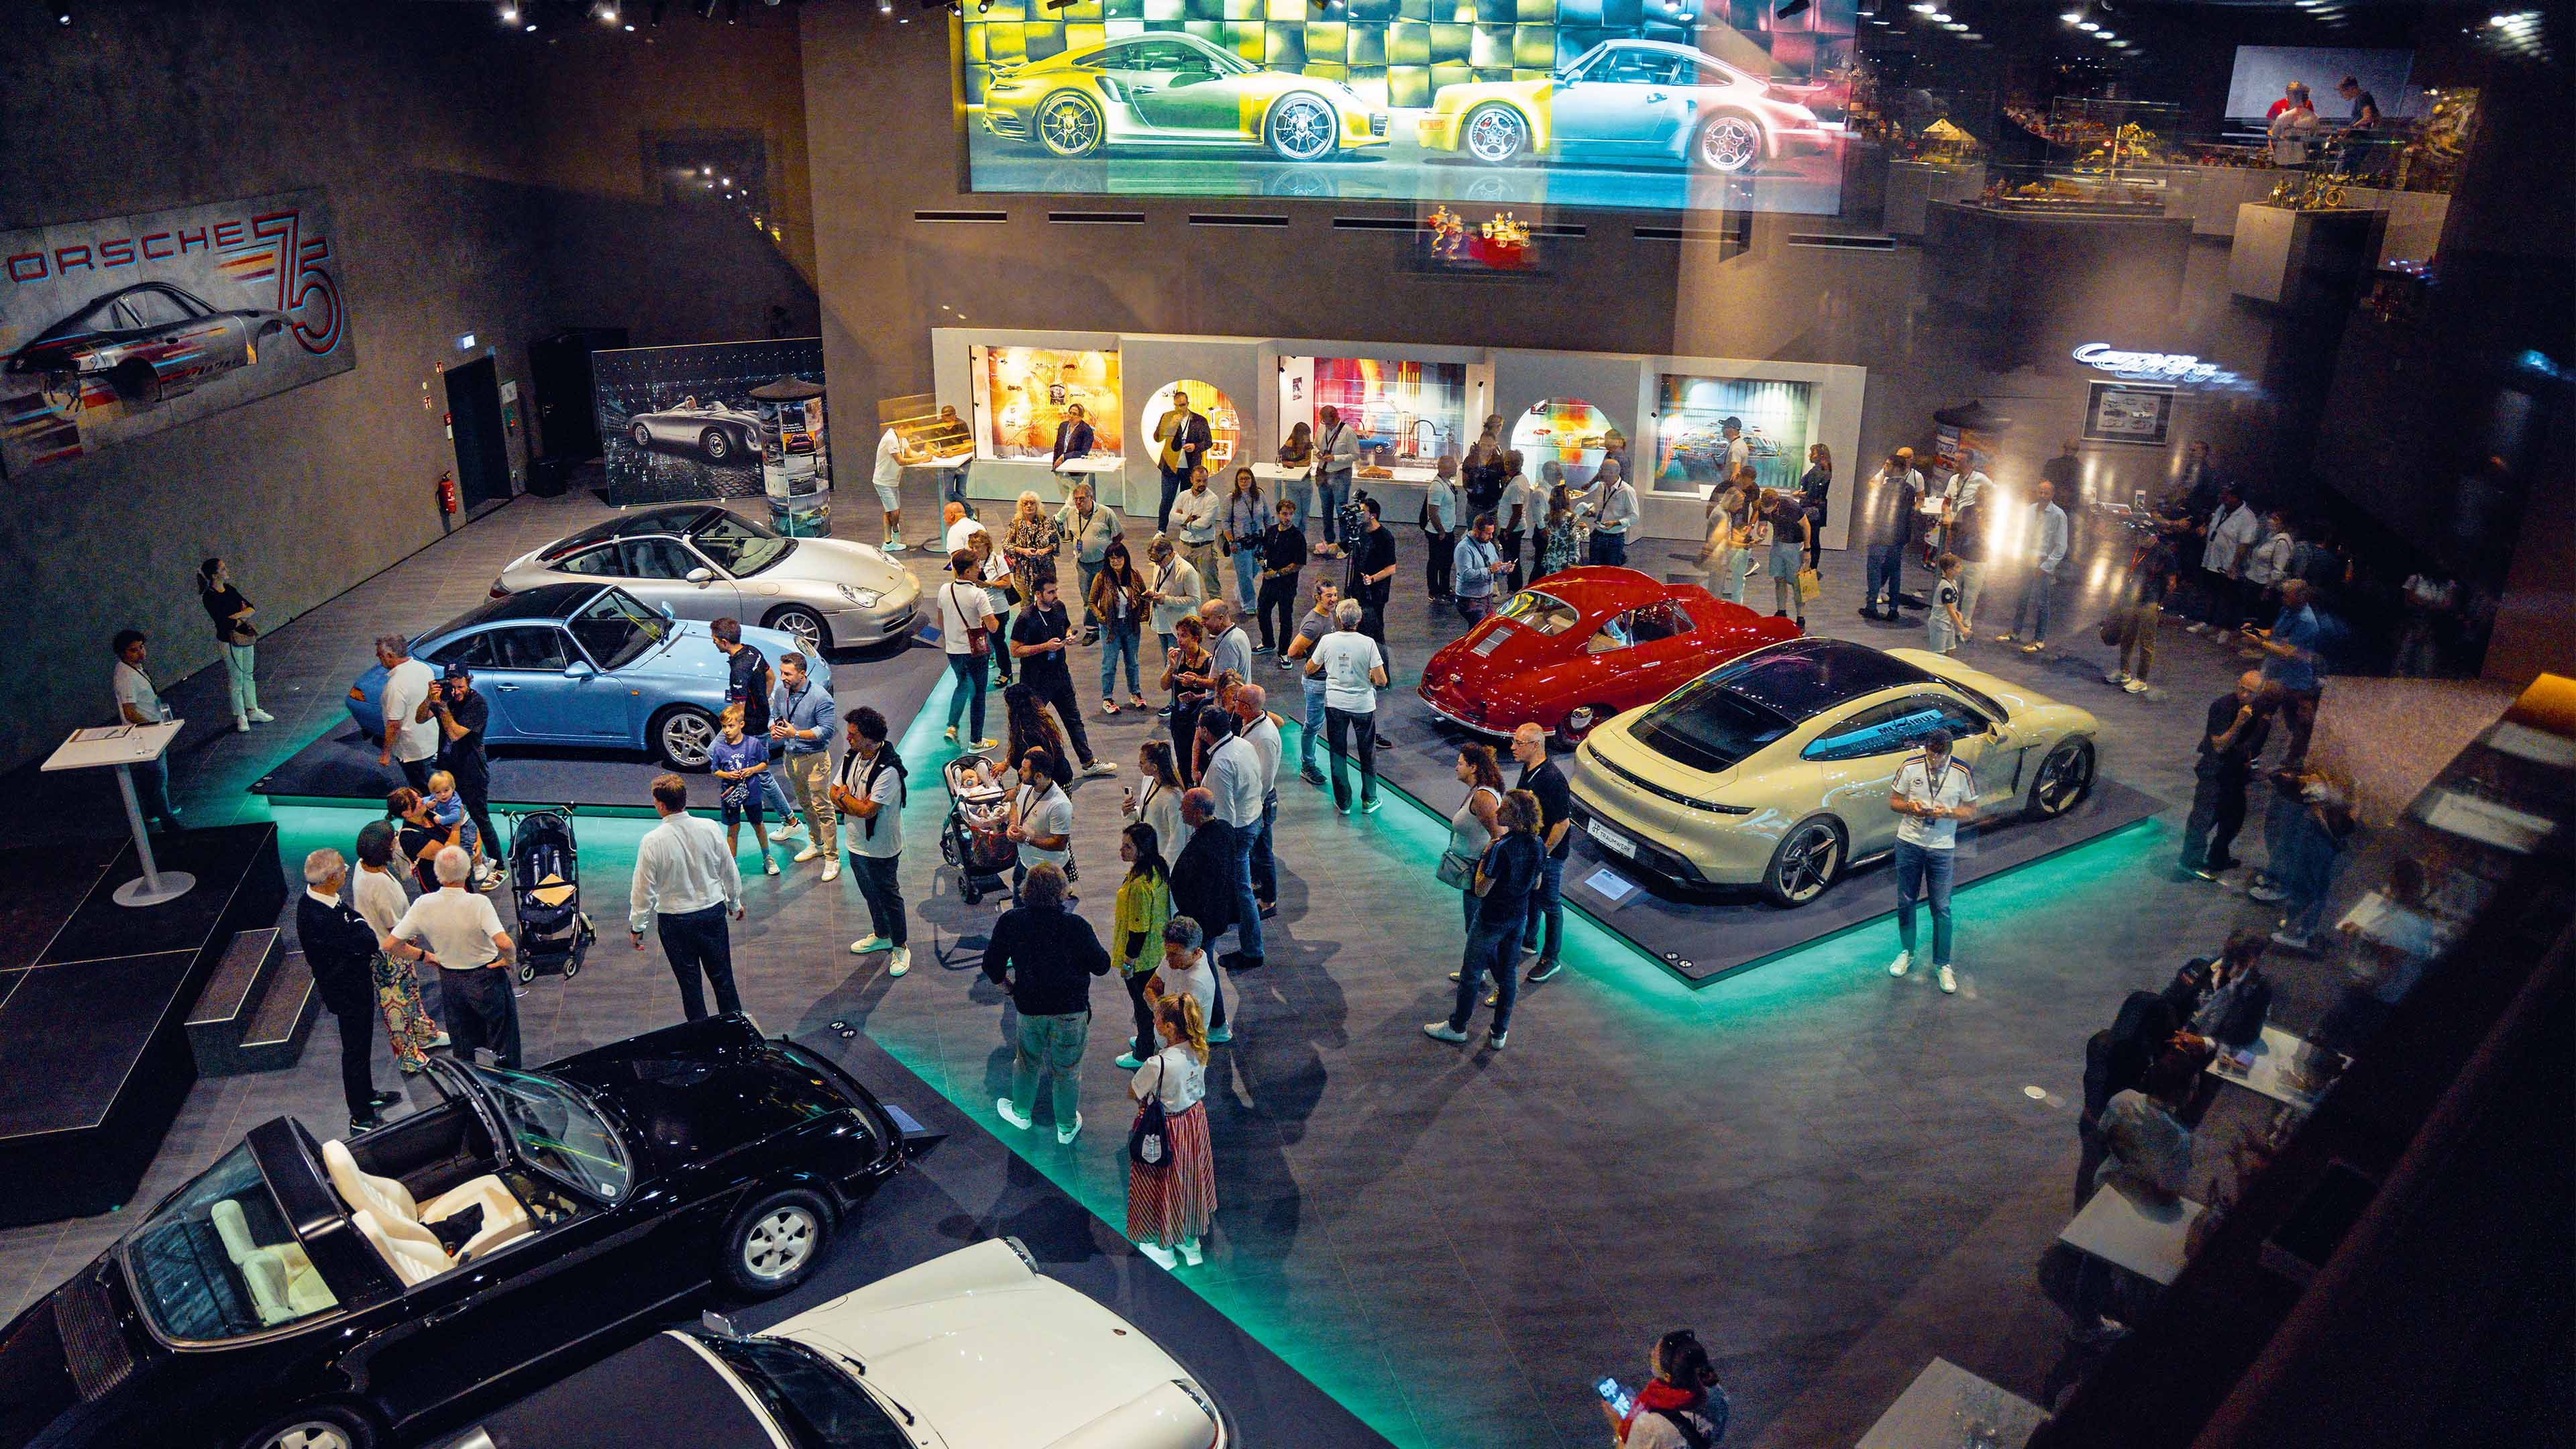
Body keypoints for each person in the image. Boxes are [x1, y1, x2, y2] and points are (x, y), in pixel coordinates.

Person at [2070, 1049, 2198, 1342]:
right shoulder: (2178, 1138)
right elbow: (2167, 1193)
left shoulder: (2121, 1099)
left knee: (2096, 1260)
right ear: (2181, 1092)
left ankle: (2084, 1320)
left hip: (2105, 1190)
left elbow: (2102, 1139)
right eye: (2193, 1086)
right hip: (2144, 1209)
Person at [982, 861, 1110, 1144]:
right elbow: (1102, 965)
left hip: (1030, 1007)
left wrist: (1009, 990)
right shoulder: (1077, 926)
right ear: (1063, 892)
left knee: (1027, 1062)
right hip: (1072, 1011)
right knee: (1067, 1070)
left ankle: (1022, 1113)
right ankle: (1065, 1126)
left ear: (1025, 890)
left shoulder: (1012, 921)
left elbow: (992, 966)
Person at [380, 845, 521, 1067]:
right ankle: (508, 1086)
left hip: (450, 980)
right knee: (503, 1038)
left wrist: (423, 955)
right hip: (486, 977)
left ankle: (470, 1089)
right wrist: (509, 960)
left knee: (463, 1043)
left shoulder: (423, 904)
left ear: (437, 874)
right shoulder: (478, 903)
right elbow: (504, 942)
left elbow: (390, 944)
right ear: (467, 873)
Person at [299, 849, 407, 1135]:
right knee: (355, 1051)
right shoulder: (318, 917)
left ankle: (367, 1092)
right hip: (346, 992)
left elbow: (357, 925)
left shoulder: (326, 901)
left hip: (354, 984)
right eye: (343, 869)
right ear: (332, 879)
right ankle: (359, 1113)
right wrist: (360, 930)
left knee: (362, 1046)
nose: (347, 872)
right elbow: (366, 940)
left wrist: (358, 928)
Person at [1426, 789, 1542, 1049]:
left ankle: (1458, 1027)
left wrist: (1484, 860)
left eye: (1504, 809)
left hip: (1490, 918)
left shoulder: (1500, 848)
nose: (1497, 812)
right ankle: (1499, 1032)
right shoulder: (1538, 845)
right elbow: (1536, 884)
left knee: (1471, 972)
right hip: (1517, 918)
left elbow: (1481, 889)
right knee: (1509, 974)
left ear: (1516, 815)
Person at [629, 773, 746, 1022]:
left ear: (660, 804)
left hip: (675, 923)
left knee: (690, 987)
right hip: (712, 915)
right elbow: (729, 869)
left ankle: (701, 1041)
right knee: (724, 979)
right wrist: (734, 902)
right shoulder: (710, 827)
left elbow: (643, 890)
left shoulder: (651, 842)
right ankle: (736, 1035)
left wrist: (638, 926)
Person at [1127, 988, 1217, 1270]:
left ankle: (1162, 1244)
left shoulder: (1158, 1063)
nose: (1153, 1022)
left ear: (1169, 1027)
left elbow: (1134, 1092)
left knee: (1158, 1183)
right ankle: (1190, 1242)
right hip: (1193, 1121)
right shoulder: (1200, 1048)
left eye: (1157, 1019)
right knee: (1189, 1179)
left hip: (1165, 1128)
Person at [1886, 728, 1974, 995]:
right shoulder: (1911, 767)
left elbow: (1971, 810)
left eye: (1939, 755)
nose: (1933, 759)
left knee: (1942, 907)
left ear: (1949, 752)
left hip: (1942, 848)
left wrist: (1947, 811)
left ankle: (1943, 964)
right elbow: (1893, 801)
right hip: (1909, 843)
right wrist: (1910, 808)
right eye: (1930, 753)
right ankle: (1907, 952)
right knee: (1906, 901)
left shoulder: (1962, 772)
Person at [351, 822, 443, 1075]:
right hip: (389, 954)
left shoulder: (365, 865)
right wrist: (420, 951)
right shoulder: (378, 885)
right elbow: (395, 931)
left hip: (394, 944)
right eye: (393, 840)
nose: (396, 843)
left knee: (411, 992)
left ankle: (424, 1034)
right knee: (396, 1007)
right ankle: (408, 1057)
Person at [2077, 990, 2180, 1215]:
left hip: (2089, 1119)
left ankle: (2077, 1217)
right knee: (2104, 1179)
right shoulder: (2136, 1058)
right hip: (2114, 1129)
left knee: (2087, 1169)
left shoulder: (2100, 1041)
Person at [1011, 574, 1116, 777]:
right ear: (1038, 594)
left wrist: (1068, 635)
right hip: (1035, 681)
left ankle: (1088, 762)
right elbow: (1015, 650)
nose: (1055, 595)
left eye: (1056, 590)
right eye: (1051, 592)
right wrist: (1045, 647)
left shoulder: (1059, 608)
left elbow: (1066, 626)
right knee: (1032, 726)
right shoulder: (1026, 618)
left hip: (1060, 675)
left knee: (1074, 719)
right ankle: (1030, 769)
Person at [712, 618, 805, 843]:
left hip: (752, 727)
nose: (713, 642)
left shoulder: (739, 670)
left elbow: (739, 709)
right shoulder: (753, 651)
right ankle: (745, 793)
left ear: (724, 641)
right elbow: (770, 677)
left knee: (719, 754)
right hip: (760, 719)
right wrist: (764, 701)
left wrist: (735, 734)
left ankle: (791, 821)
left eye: (715, 639)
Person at [834, 706, 910, 975]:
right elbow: (834, 790)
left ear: (868, 737)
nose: (847, 738)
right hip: (856, 843)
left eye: (853, 734)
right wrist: (849, 800)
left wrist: (845, 799)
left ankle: (900, 945)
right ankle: (881, 934)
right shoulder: (851, 757)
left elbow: (869, 811)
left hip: (882, 848)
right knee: (869, 894)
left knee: (889, 896)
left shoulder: (888, 770)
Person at [2180, 672, 2272, 881]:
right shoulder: (2223, 707)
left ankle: (2218, 856)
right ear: (2237, 684)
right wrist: (2238, 724)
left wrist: (2253, 768)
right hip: (2214, 772)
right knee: (2203, 819)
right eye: (2242, 688)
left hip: (2236, 774)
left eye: (2251, 692)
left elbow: (2254, 746)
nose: (2244, 695)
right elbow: (2219, 746)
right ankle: (2189, 862)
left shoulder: (2258, 710)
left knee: (2233, 818)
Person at [1166, 789, 1236, 1042]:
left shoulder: (1204, 847)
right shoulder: (1225, 831)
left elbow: (1197, 885)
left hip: (1202, 920)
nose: (1180, 811)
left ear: (1197, 813)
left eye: (1184, 808)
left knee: (1203, 968)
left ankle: (1215, 1022)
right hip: (1215, 915)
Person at [1202, 696, 1267, 971]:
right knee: (1243, 888)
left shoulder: (1220, 763)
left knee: (1243, 890)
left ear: (1205, 732)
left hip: (1238, 829)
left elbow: (1224, 814)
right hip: (1254, 816)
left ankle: (1253, 951)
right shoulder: (1242, 744)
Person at [1307, 598, 1388, 813]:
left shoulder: (1327, 641)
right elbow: (1382, 680)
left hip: (1335, 705)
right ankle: (1370, 799)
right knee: (1367, 751)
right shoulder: (1368, 643)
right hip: (1363, 705)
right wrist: (1367, 677)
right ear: (1359, 620)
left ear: (1338, 619)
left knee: (1338, 752)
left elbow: (1310, 668)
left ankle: (1343, 802)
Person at [423, 663, 499, 885]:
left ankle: (499, 865)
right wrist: (429, 699)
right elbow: (420, 717)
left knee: (480, 818)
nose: (456, 692)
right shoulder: (444, 698)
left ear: (468, 681)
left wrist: (443, 707)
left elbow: (455, 733)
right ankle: (475, 860)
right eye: (452, 687)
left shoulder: (477, 704)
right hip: (449, 772)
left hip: (472, 771)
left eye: (460, 686)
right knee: (455, 817)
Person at [105, 630, 184, 830]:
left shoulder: (132, 669)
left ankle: (153, 811)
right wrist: (154, 729)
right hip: (146, 733)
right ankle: (167, 820)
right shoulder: (126, 677)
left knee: (150, 777)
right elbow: (130, 711)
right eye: (134, 650)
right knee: (158, 778)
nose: (140, 653)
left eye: (141, 647)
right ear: (122, 653)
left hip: (148, 729)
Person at [2243, 578, 2326, 769]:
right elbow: (2274, 633)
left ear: (2301, 597)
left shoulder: (2307, 622)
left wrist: (2259, 644)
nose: (2283, 598)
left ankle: (2294, 761)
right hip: (2276, 675)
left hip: (2294, 682)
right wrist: (2256, 632)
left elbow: (2290, 652)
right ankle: (2252, 756)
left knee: (2297, 724)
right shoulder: (2287, 610)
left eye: (2287, 595)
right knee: (2263, 714)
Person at [1111, 823, 1175, 1069]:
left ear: (1141, 849)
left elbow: (1138, 928)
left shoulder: (1139, 885)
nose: (1121, 850)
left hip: (1142, 957)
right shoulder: (1158, 868)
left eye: (1128, 846)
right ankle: (1147, 1040)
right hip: (1157, 950)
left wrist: (1128, 961)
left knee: (1141, 1005)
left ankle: (1144, 1052)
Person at [769, 649, 837, 872]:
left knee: (823, 808)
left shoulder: (820, 696)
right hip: (791, 758)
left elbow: (827, 730)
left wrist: (795, 733)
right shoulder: (781, 692)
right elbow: (775, 715)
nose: (783, 678)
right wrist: (775, 727)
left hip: (814, 759)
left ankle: (832, 857)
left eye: (788, 674)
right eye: (781, 673)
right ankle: (817, 844)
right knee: (806, 804)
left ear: (802, 673)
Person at [1607, 1330, 1731, 1449]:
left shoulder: (1648, 1426)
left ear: (1668, 1377)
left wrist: (1618, 1427)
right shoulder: (1716, 1394)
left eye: (1656, 1356)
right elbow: (1717, 1435)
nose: (1652, 1354)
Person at [2162, 929, 2274, 1053]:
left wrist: (2204, 1043)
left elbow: (2248, 1034)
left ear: (2252, 961)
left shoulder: (2260, 991)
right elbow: (2168, 1001)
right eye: (2228, 956)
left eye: (2240, 961)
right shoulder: (2198, 967)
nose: (2229, 966)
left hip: (2211, 1053)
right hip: (2173, 1040)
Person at [195, 558, 272, 733]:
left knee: (248, 675)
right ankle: (241, 715)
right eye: (223, 569)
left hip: (244, 637)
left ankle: (253, 710)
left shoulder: (230, 590)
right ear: (215, 575)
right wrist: (242, 616)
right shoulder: (210, 597)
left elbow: (251, 608)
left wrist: (238, 617)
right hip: (229, 641)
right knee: (236, 678)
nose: (226, 570)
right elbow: (224, 623)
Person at [1996, 480, 2070, 655]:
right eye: (2040, 492)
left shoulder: (2059, 515)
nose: (2043, 496)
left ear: (2052, 494)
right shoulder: (2029, 510)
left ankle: (2039, 639)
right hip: (2026, 559)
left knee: (2042, 602)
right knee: (2022, 597)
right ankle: (2015, 632)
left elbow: (2061, 546)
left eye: (2046, 493)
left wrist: (2046, 566)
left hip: (2042, 561)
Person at [939, 548, 1002, 749]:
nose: (979, 569)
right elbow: (993, 626)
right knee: (978, 696)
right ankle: (976, 740)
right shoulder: (978, 594)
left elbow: (941, 620)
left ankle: (952, 725)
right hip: (974, 653)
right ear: (966, 572)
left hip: (953, 651)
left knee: (963, 685)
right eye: (976, 567)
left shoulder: (944, 590)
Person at [1232, 681, 1285, 919]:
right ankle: (1259, 888)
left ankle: (1269, 901)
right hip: (1255, 800)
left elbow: (1265, 778)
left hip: (1261, 802)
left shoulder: (1264, 738)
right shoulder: (1252, 724)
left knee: (1263, 852)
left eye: (1237, 701)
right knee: (1257, 850)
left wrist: (1252, 806)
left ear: (1246, 707)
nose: (1233, 704)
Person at [710, 704, 781, 877]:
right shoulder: (719, 748)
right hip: (730, 794)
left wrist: (752, 770)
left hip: (752, 792)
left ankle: (767, 857)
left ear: (741, 725)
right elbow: (715, 770)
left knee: (758, 824)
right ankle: (731, 864)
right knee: (733, 829)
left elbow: (764, 763)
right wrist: (727, 775)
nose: (727, 730)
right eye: (724, 726)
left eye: (731, 726)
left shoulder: (754, 743)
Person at [1282, 578, 1340, 784]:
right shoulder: (1314, 623)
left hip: (1329, 679)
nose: (1333, 599)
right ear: (1317, 597)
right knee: (1313, 725)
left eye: (1335, 595)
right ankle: (1307, 765)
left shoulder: (1328, 615)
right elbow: (1292, 652)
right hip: (1317, 682)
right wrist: (1311, 660)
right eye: (1329, 596)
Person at [1856, 450, 1924, 620]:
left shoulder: (1883, 489)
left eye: (1887, 465)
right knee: (1895, 571)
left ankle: (1872, 606)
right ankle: (1893, 609)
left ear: (1895, 468)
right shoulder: (1909, 490)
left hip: (1880, 536)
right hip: (1899, 538)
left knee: (1874, 569)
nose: (1884, 467)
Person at [1442, 744, 1506, 927]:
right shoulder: (1478, 792)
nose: (1456, 768)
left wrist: (1484, 875)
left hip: (1478, 875)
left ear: (1473, 767)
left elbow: (1499, 838)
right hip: (1473, 874)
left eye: (1460, 764)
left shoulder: (1483, 798)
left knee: (1476, 929)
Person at [2106, 529, 2176, 695]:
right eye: (2139, 535)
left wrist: (2160, 602)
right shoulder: (2136, 548)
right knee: (2127, 636)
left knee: (2147, 642)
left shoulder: (2164, 553)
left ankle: (2142, 680)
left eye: (2145, 536)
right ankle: (2124, 672)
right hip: (2132, 597)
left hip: (2150, 601)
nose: (2141, 539)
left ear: (2155, 536)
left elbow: (2172, 582)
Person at [1090, 537, 1152, 714]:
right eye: (1112, 558)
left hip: (1131, 625)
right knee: (1109, 663)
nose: (1116, 561)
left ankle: (1136, 693)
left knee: (1132, 662)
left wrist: (1144, 613)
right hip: (1111, 628)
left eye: (1119, 558)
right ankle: (1107, 698)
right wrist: (1102, 618)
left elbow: (1145, 596)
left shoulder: (1134, 575)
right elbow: (1092, 602)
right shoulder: (1101, 578)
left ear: (1126, 558)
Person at [1006, 747, 1074, 899]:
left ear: (1038, 776)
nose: (1020, 772)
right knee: (1019, 905)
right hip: (1024, 861)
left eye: (1024, 770)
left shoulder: (1059, 805)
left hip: (1048, 872)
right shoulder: (1026, 785)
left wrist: (1026, 839)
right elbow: (1016, 805)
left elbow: (1060, 843)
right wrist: (1012, 824)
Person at [1057, 479, 1120, 644]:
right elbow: (1070, 536)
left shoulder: (1106, 513)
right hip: (1083, 564)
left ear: (1091, 498)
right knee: (1088, 597)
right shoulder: (1071, 514)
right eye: (1076, 499)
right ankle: (1092, 630)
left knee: (1108, 596)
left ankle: (1111, 627)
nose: (1078, 502)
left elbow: (1118, 535)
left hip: (1103, 563)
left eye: (1082, 499)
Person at [1344, 496, 1399, 680]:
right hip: (1358, 590)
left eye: (1363, 511)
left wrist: (1373, 579)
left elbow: (1391, 567)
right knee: (1357, 632)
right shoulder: (1359, 531)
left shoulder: (1385, 537)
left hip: (1375, 593)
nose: (1359, 515)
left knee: (1375, 635)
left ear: (1373, 515)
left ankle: (1382, 676)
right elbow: (1345, 548)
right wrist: (1329, 548)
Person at [374, 633, 439, 790]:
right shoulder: (424, 669)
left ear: (389, 655)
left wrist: (385, 754)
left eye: (379, 655)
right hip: (432, 740)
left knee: (425, 792)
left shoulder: (395, 686)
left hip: (412, 751)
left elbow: (394, 724)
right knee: (439, 788)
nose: (379, 658)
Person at [2199, 486, 2261, 634]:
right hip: (2211, 559)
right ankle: (2208, 623)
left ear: (2236, 498)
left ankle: (2224, 630)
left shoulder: (2248, 518)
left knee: (2226, 598)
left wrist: (2234, 566)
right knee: (2211, 593)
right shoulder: (2222, 508)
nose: (2223, 499)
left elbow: (2244, 544)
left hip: (2228, 565)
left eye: (2227, 496)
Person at [1159, 614, 1215, 777]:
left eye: (1184, 636)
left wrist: (1196, 695)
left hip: (1198, 716)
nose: (1179, 640)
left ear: (1195, 638)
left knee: (1199, 758)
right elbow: (1164, 686)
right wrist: (1170, 667)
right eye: (1178, 635)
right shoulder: (1177, 657)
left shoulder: (1208, 661)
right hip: (1178, 716)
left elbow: (1214, 691)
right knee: (1182, 757)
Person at [1252, 498, 1309, 656]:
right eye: (1284, 514)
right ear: (1278, 514)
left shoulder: (1298, 537)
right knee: (1262, 612)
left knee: (1285, 619)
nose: (1288, 518)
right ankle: (1268, 642)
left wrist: (1276, 573)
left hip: (1287, 586)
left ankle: (1284, 653)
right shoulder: (1271, 531)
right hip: (1269, 583)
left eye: (1291, 514)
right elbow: (1264, 550)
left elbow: (1298, 564)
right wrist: (1262, 562)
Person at [1152, 390, 1212, 533]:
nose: (1180, 408)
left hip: (1191, 468)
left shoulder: (1200, 420)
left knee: (1189, 501)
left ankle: (1187, 528)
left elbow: (1208, 442)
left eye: (1183, 405)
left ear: (1188, 404)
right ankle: (1161, 530)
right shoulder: (1167, 417)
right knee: (1167, 499)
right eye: (1177, 405)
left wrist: (1196, 447)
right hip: (1170, 466)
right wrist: (1171, 426)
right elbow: (1157, 438)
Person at [1124, 739, 1191, 861]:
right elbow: (1150, 814)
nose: (1139, 765)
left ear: (1154, 767)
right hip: (1147, 856)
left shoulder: (1174, 798)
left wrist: (1164, 869)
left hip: (1162, 860)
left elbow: (1178, 840)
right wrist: (1130, 811)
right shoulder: (1148, 780)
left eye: (1142, 762)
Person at [1144, 535, 1205, 661]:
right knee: (1168, 664)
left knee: (1177, 666)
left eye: (1160, 561)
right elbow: (1158, 585)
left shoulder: (1187, 570)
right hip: (1161, 623)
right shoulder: (1158, 565)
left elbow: (1195, 600)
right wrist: (1151, 593)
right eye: (1155, 561)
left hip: (1178, 627)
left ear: (1170, 554)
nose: (1157, 564)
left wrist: (1166, 600)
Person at [1002, 490, 1061, 619]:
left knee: (1048, 600)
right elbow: (1006, 545)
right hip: (1023, 571)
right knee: (1026, 605)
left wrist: (1044, 550)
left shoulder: (1047, 522)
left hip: (1045, 569)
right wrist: (1023, 551)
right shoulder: (1016, 523)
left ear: (1037, 505)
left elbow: (1055, 544)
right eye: (1025, 504)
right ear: (1021, 506)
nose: (1029, 506)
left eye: (1032, 503)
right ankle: (1028, 632)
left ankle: (1050, 628)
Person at [1314, 405, 1360, 556]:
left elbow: (1355, 455)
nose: (1324, 425)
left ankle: (1345, 544)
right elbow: (1315, 445)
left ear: (1335, 419)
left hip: (1340, 475)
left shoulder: (1348, 432)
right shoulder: (1321, 428)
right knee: (1325, 509)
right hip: (1323, 473)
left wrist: (1335, 458)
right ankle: (1328, 541)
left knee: (1342, 511)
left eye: (1327, 422)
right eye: (1323, 422)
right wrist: (1318, 453)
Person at [1452, 513, 1513, 626]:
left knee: (1481, 632)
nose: (1491, 537)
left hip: (1487, 598)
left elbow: (1496, 567)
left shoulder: (1488, 545)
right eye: (1487, 533)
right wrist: (1489, 570)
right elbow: (1466, 575)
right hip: (1470, 600)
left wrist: (1504, 569)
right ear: (1476, 530)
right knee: (1483, 629)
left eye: (1492, 533)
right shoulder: (1464, 549)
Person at [1219, 466, 1267, 612]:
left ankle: (1240, 590)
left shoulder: (1259, 495)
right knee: (1245, 575)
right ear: (1237, 481)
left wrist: (1269, 539)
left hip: (1258, 541)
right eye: (1241, 479)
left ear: (1252, 480)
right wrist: (1231, 541)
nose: (1244, 481)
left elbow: (1267, 517)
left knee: (1254, 571)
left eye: (1247, 478)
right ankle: (1250, 605)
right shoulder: (1231, 499)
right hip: (1240, 543)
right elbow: (1225, 522)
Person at [1947, 486, 1992, 633]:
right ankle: (1949, 621)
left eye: (1985, 495)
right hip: (1960, 556)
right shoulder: (1966, 510)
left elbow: (1991, 536)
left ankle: (1965, 626)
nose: (1982, 497)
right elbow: (1954, 529)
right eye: (1980, 494)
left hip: (1979, 560)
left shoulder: (1993, 515)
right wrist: (1952, 550)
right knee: (1954, 591)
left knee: (1971, 596)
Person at [1763, 487, 1811, 625]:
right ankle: (1781, 611)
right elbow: (1763, 522)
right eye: (1764, 508)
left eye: (1769, 509)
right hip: (1778, 544)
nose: (1766, 512)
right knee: (1779, 579)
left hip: (1794, 546)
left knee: (1798, 583)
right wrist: (1762, 528)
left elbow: (1806, 526)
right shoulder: (1763, 506)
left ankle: (1800, 618)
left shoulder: (1792, 507)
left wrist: (1807, 550)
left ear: (1776, 503)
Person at [1421, 454, 1460, 599]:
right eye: (1453, 466)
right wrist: (1441, 531)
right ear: (1444, 469)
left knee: (1447, 561)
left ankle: (1444, 587)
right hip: (1439, 532)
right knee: (1436, 561)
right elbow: (1432, 512)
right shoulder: (1437, 487)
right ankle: (1434, 591)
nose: (1456, 468)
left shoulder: (1446, 483)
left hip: (1447, 530)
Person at [1587, 458, 1638, 567]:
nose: (1599, 472)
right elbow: (1598, 507)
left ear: (1612, 473)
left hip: (1615, 539)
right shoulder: (1601, 486)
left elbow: (1634, 516)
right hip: (1597, 535)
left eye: (1602, 469)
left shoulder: (1627, 491)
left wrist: (1616, 523)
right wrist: (1591, 512)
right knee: (1593, 570)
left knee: (1611, 572)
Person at [869, 422, 910, 553]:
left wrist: (924, 456)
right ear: (901, 428)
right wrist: (923, 459)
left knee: (890, 511)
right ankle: (894, 533)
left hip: (893, 482)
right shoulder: (890, 439)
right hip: (883, 482)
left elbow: (910, 452)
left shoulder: (901, 438)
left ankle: (889, 542)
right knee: (894, 512)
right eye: (909, 431)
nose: (909, 435)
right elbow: (901, 461)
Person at [1497, 452, 1542, 567]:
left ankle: (1514, 585)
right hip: (1513, 527)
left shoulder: (1516, 485)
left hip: (1512, 528)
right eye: (1507, 463)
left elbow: (1517, 512)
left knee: (1511, 563)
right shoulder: (1520, 478)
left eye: (1510, 463)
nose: (1508, 466)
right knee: (1512, 560)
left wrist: (1507, 532)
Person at [1277, 420, 1316, 537]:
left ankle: (1301, 538)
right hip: (1291, 483)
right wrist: (1291, 463)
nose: (1307, 437)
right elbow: (1281, 462)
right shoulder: (1288, 445)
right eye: (1305, 435)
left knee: (1305, 514)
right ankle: (1292, 537)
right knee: (1295, 514)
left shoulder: (1308, 445)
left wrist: (1293, 464)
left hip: (1305, 482)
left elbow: (1307, 462)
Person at [1797, 443, 1833, 572]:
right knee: (1813, 539)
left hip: (1812, 508)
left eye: (1814, 453)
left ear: (1821, 456)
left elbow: (1812, 493)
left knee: (1811, 539)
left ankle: (1810, 568)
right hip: (1818, 508)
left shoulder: (1819, 471)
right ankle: (1812, 568)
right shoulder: (1825, 470)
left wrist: (1799, 494)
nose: (1810, 456)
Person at [2267, 81, 2319, 167]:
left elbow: (2312, 132)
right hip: (2285, 154)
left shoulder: (2309, 109)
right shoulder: (2277, 105)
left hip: (2297, 156)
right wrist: (2272, 150)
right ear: (2287, 93)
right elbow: (2271, 131)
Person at [1926, 554, 1967, 655]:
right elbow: (1949, 609)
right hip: (1940, 623)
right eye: (1957, 567)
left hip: (1948, 623)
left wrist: (1957, 612)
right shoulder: (1946, 588)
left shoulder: (1953, 583)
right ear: (1949, 570)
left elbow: (1951, 606)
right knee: (1938, 654)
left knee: (1950, 650)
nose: (1960, 569)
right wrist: (1962, 628)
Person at [1050, 400, 1095, 473]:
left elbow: (1084, 452)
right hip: (1060, 468)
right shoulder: (1063, 426)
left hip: (1076, 471)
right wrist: (1055, 466)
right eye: (1070, 413)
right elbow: (1057, 447)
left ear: (1081, 417)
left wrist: (1064, 456)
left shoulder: (1087, 430)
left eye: (1074, 414)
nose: (1071, 416)